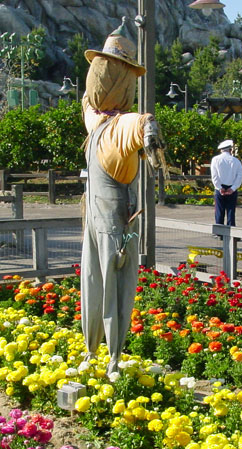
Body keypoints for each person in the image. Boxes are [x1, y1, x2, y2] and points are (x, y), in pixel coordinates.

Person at [79, 18, 164, 377]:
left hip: (116, 225)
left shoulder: (114, 125)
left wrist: (148, 129)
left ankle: (111, 356)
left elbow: (138, 122)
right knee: (96, 283)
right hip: (97, 222)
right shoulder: (98, 122)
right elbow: (91, 103)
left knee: (110, 285)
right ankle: (93, 351)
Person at [210, 139, 242, 227]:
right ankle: (232, 230)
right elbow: (239, 176)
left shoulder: (215, 159)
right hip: (231, 187)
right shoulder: (236, 161)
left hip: (220, 187)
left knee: (219, 211)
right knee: (231, 211)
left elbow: (214, 175)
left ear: (221, 150)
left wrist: (219, 187)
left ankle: (219, 231)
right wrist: (233, 188)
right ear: (230, 150)